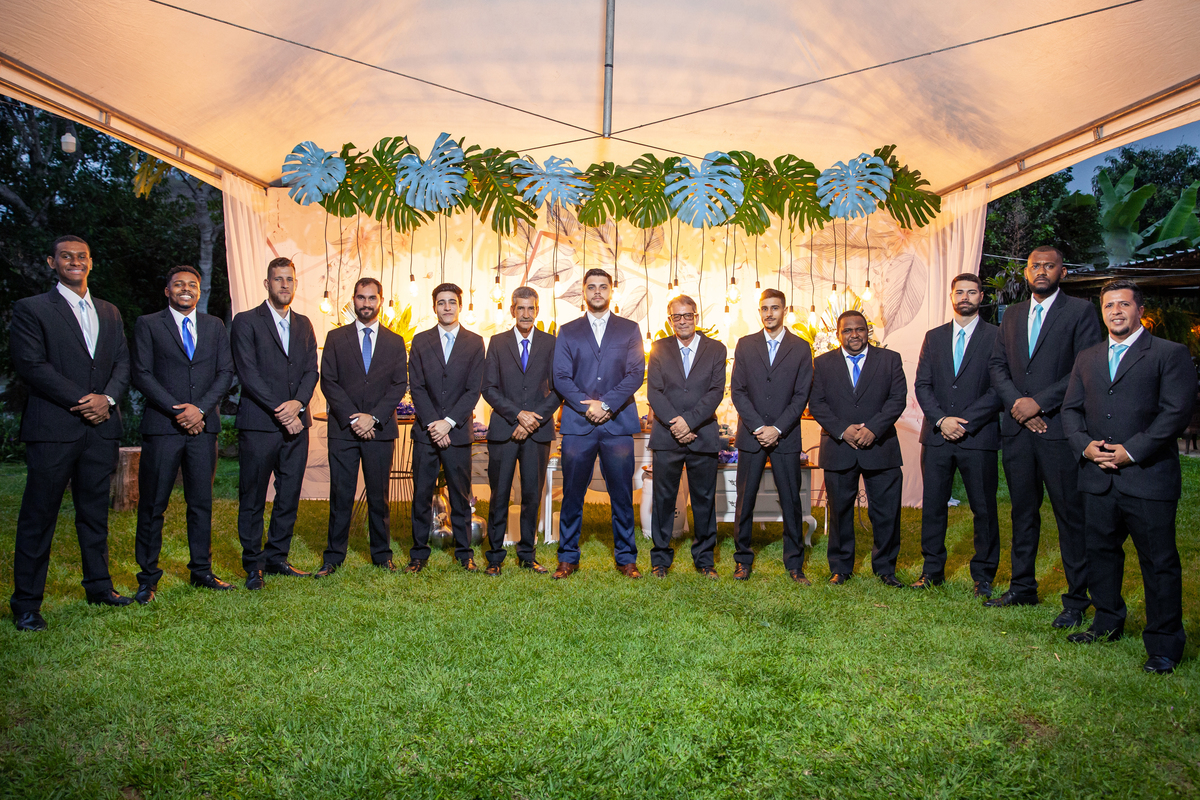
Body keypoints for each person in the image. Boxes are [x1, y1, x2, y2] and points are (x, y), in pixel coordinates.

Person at [1061, 279, 1197, 674]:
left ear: (1140, 309)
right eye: (1108, 306)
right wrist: (1084, 446)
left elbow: (1175, 412)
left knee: (1158, 563)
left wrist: (1131, 451)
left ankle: (1164, 645)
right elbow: (1070, 410)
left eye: (1123, 304)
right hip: (1097, 476)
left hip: (1147, 477)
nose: (1116, 311)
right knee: (1101, 555)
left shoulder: (1169, 353)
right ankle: (1106, 622)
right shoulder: (1087, 357)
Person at [8, 235, 132, 631]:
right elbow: (31, 364)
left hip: (101, 432)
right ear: (52, 262)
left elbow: (123, 364)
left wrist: (108, 398)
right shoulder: (32, 309)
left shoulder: (110, 312)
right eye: (66, 257)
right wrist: (85, 399)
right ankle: (27, 604)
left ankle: (99, 587)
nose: (74, 262)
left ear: (91, 263)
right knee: (38, 517)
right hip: (54, 429)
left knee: (94, 514)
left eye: (81, 257)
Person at [987, 245, 1103, 626]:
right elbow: (997, 366)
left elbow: (1082, 368)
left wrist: (1038, 404)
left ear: (1062, 272)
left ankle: (1076, 600)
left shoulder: (1081, 312)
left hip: (1058, 429)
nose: (1041, 271)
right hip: (1018, 432)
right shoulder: (1014, 314)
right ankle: (1022, 587)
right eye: (1035, 265)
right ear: (1025, 272)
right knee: (1022, 512)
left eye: (1049, 266)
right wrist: (1019, 405)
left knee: (1069, 514)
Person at [132, 265, 235, 600]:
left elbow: (225, 372)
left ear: (199, 290)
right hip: (164, 427)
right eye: (179, 284)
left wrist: (200, 409)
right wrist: (181, 410)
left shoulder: (214, 326)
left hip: (203, 429)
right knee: (153, 504)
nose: (186, 289)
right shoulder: (149, 324)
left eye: (192, 284)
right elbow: (143, 374)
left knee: (201, 502)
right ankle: (148, 577)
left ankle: (201, 570)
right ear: (167, 290)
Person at [230, 257, 319, 590]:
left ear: (295, 284)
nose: (285, 285)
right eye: (278, 279)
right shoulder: (246, 321)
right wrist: (282, 411)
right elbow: (248, 373)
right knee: (252, 495)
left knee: (289, 494)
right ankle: (253, 564)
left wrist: (298, 406)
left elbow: (312, 370)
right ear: (267, 284)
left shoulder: (305, 323)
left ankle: (277, 556)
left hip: (297, 423)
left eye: (290, 279)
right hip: (259, 423)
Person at [552, 268, 646, 579]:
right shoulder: (567, 331)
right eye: (591, 287)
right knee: (572, 495)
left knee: (621, 494)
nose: (597, 292)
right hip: (579, 426)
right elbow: (561, 377)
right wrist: (588, 406)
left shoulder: (630, 329)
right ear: (583, 291)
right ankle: (567, 557)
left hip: (617, 425)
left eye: (602, 287)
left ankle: (626, 557)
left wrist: (605, 405)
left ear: (611, 291)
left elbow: (635, 374)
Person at [912, 273, 1002, 597]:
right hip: (936, 436)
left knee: (984, 508)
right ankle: (932, 571)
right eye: (959, 291)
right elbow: (922, 385)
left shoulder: (996, 337)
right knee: (933, 506)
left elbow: (998, 388)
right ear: (951, 296)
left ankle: (984, 576)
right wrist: (941, 420)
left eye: (971, 292)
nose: (965, 296)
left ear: (981, 296)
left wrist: (963, 423)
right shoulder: (933, 337)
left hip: (978, 437)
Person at [315, 277, 408, 577]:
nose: (366, 303)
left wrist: (374, 417)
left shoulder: (395, 342)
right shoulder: (335, 338)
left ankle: (382, 555)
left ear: (381, 300)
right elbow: (328, 380)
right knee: (340, 493)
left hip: (380, 431)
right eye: (360, 298)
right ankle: (333, 557)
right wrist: (355, 417)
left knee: (379, 496)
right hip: (344, 429)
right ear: (352, 300)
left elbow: (398, 385)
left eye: (372, 298)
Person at [809, 309, 907, 587]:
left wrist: (873, 429)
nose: (854, 335)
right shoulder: (823, 363)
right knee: (840, 512)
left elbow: (897, 399)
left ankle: (886, 568)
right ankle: (840, 568)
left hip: (881, 446)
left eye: (860, 329)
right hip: (839, 448)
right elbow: (817, 404)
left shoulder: (889, 360)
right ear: (838, 334)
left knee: (886, 512)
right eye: (848, 330)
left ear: (868, 332)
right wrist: (842, 430)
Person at [729, 289, 813, 582]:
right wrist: (757, 427)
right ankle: (742, 560)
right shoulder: (745, 345)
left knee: (791, 500)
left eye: (774, 308)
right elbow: (737, 391)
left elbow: (802, 395)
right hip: (751, 435)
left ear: (784, 310)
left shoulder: (801, 347)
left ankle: (794, 563)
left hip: (785, 436)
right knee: (745, 500)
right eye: (764, 308)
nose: (768, 313)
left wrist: (776, 429)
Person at [405, 283, 486, 572]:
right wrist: (433, 425)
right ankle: (418, 553)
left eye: (452, 302)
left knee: (460, 497)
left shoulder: (475, 342)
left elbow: (473, 389)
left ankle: (465, 554)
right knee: (422, 494)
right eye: (442, 302)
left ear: (460, 306)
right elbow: (417, 386)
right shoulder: (421, 340)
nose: (447, 307)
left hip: (457, 434)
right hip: (427, 434)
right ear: (434, 306)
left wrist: (448, 423)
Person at [481, 287, 561, 576]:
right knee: (499, 494)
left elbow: (558, 389)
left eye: (531, 309)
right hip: (504, 431)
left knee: (532, 495)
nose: (526, 314)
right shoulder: (498, 342)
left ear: (537, 311)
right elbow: (488, 387)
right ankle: (494, 557)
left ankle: (528, 555)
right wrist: (518, 416)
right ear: (512, 310)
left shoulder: (552, 343)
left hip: (537, 434)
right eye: (521, 308)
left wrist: (533, 420)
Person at [646, 295, 727, 578]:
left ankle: (705, 561)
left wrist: (689, 422)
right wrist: (675, 424)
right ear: (670, 320)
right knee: (664, 499)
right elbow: (653, 391)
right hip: (667, 436)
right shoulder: (658, 348)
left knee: (704, 500)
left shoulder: (716, 349)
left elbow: (716, 391)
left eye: (687, 315)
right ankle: (660, 560)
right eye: (676, 317)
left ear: (696, 316)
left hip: (702, 434)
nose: (682, 321)